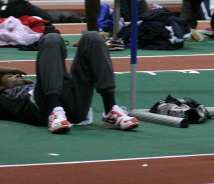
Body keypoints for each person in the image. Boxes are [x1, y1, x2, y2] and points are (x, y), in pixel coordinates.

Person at [0, 31, 139, 134]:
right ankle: (54, 111)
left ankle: (111, 109)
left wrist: (11, 73)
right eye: (9, 77)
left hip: (75, 105)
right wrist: (6, 70)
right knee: (51, 38)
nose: (16, 76)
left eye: (16, 75)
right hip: (44, 109)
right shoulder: (5, 99)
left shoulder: (39, 85)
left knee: (93, 37)